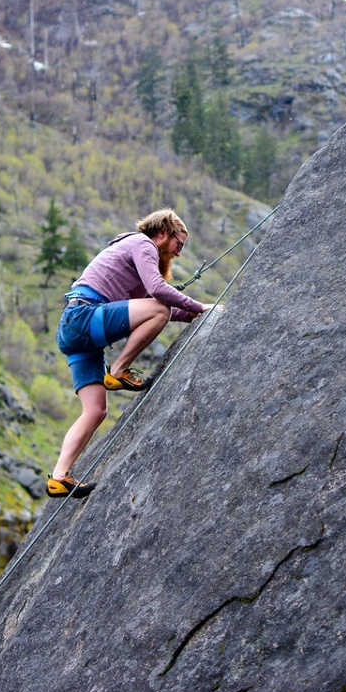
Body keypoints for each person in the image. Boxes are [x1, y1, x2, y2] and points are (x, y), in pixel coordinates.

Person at [48, 208, 216, 498]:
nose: (178, 252)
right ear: (163, 233)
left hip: (75, 331)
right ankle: (119, 370)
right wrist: (198, 306)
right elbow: (157, 294)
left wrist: (193, 313)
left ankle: (59, 476)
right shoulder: (143, 244)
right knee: (159, 308)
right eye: (179, 244)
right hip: (85, 318)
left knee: (95, 411)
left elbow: (148, 304)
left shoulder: (131, 255)